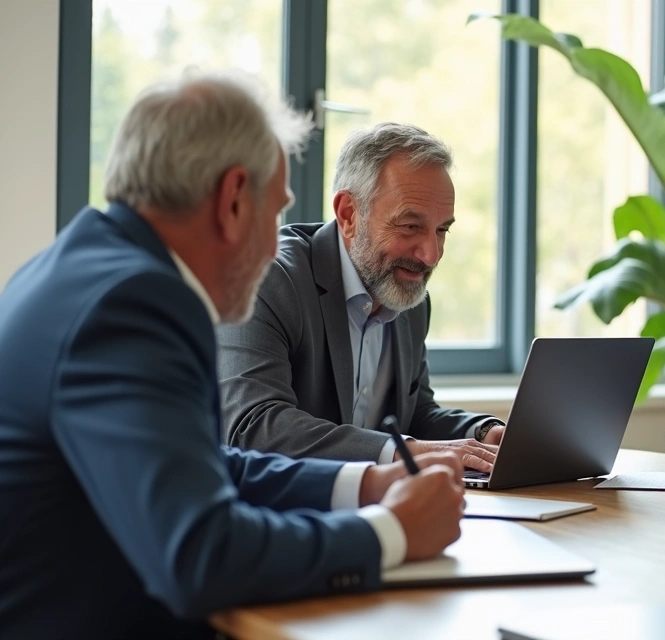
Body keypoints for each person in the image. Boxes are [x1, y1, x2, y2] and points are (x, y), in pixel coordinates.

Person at [0, 72, 466, 638]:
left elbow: (202, 463)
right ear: (232, 199)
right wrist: (389, 532)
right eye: (275, 213)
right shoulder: (132, 306)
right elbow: (203, 557)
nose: (277, 242)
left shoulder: (83, 270)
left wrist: (364, 486)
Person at [216, 123, 504, 471]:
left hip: (376, 506)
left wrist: (484, 433)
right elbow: (255, 427)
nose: (431, 255)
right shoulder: (270, 279)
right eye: (410, 226)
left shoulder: (408, 295)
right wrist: (402, 452)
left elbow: (415, 416)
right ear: (348, 214)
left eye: (442, 230)